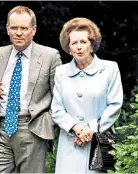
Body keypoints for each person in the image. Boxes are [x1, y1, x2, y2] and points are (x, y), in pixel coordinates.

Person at [0, 5, 62, 173]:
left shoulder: (50, 56)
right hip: (0, 131)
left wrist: (48, 120)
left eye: (23, 28)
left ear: (33, 30)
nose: (18, 32)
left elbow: (60, 96)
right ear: (7, 29)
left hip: (32, 130)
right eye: (14, 28)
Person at [51, 17, 123, 173]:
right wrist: (77, 128)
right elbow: (56, 109)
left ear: (92, 45)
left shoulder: (110, 69)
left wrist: (90, 129)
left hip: (101, 140)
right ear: (68, 48)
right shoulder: (61, 72)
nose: (79, 47)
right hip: (70, 141)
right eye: (74, 43)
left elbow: (115, 105)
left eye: (83, 42)